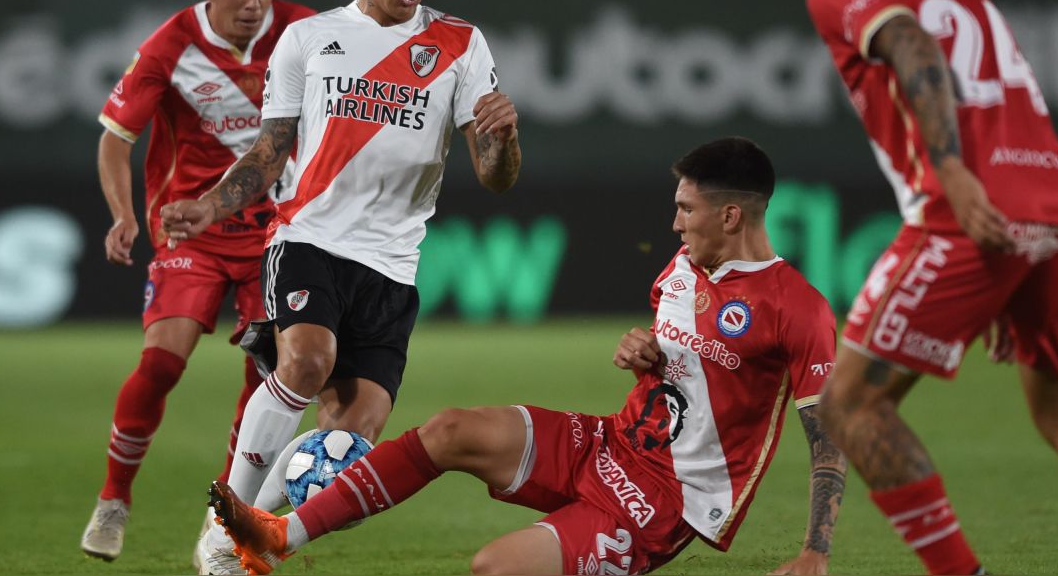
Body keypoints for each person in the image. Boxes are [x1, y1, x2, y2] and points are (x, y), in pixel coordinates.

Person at [205, 137, 848, 576]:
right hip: (609, 446)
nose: (675, 224)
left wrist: (816, 551)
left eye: (686, 209)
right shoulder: (681, 270)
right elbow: (687, 367)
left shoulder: (799, 308)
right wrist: (643, 350)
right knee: (450, 429)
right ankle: (279, 536)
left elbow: (829, 438)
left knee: (494, 567)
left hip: (659, 506)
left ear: (732, 215)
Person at [161, 0, 522, 572]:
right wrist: (211, 207)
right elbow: (271, 151)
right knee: (304, 362)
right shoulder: (308, 38)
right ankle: (227, 527)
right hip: (310, 239)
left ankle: (251, 534)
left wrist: (503, 138)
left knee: (347, 438)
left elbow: (494, 175)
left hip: (393, 266)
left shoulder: (460, 45)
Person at [790, 0, 1058, 574]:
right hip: (1047, 199)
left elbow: (913, 45)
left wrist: (951, 171)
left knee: (849, 404)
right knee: (1055, 409)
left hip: (966, 208)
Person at [80, 0, 315, 562]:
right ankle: (114, 498)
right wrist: (123, 214)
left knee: (269, 371)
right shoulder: (169, 47)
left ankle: (225, 513)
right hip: (195, 230)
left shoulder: (303, 33)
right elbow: (114, 137)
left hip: (276, 234)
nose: (254, 1)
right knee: (163, 362)